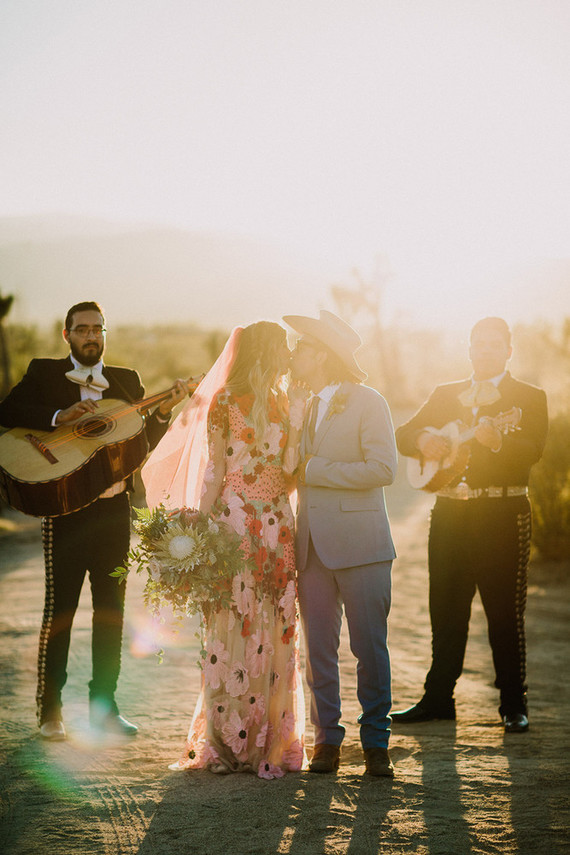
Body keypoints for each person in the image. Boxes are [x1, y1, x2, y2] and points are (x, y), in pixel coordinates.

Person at [0, 300, 188, 740]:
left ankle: (104, 708)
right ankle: (51, 712)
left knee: (111, 613)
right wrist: (55, 418)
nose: (91, 336)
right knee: (59, 612)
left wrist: (162, 413)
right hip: (64, 511)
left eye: (98, 328)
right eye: (82, 329)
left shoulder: (127, 381)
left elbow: (139, 446)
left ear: (106, 334)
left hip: (112, 512)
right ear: (67, 335)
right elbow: (4, 413)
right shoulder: (43, 374)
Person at [142, 321, 307, 779]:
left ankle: (228, 741)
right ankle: (271, 740)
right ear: (272, 355)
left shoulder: (226, 402)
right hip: (274, 523)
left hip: (234, 522)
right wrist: (270, 489)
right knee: (273, 627)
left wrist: (200, 518)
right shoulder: (290, 405)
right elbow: (293, 470)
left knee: (231, 625)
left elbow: (215, 471)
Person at [391, 317, 548, 733]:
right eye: (479, 343)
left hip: (503, 514)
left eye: (495, 344)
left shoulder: (528, 397)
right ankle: (438, 698)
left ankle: (513, 704)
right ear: (469, 348)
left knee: (504, 613)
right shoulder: (446, 394)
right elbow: (403, 434)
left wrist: (497, 441)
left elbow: (533, 450)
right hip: (449, 515)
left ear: (508, 350)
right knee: (445, 608)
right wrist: (425, 439)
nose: (486, 350)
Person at [283, 310, 397, 777]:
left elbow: (383, 469)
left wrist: (314, 470)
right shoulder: (302, 405)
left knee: (369, 649)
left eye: (302, 348)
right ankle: (326, 740)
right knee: (318, 654)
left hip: (362, 545)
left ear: (323, 354)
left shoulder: (369, 401)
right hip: (310, 548)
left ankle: (376, 744)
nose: (293, 355)